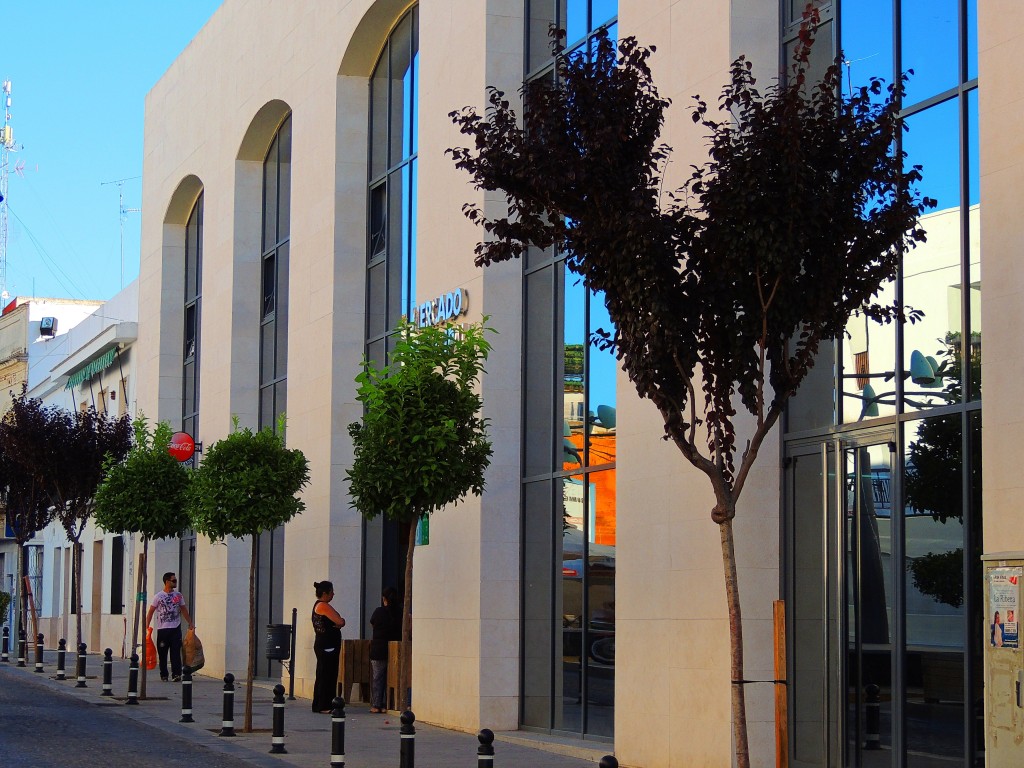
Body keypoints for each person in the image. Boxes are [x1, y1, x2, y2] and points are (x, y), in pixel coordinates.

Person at [145, 572, 193, 682]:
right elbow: (151, 611)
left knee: (175, 652)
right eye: (174, 580)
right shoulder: (158, 596)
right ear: (167, 582)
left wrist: (190, 623)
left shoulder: (178, 595)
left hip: (175, 628)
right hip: (163, 630)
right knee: (162, 653)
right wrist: (146, 626)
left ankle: (176, 674)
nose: (175, 582)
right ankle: (164, 674)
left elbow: (184, 609)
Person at [311, 580, 346, 713]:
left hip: (325, 645)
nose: (333, 594)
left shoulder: (320, 606)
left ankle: (321, 704)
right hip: (327, 646)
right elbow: (340, 621)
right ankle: (324, 705)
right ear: (325, 593)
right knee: (327, 675)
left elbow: (339, 620)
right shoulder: (323, 606)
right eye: (331, 592)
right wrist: (340, 621)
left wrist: (340, 621)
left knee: (324, 673)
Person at [368, 586, 401, 713]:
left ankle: (377, 704)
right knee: (393, 677)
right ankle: (391, 703)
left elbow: (372, 624)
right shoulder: (400, 612)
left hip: (378, 649)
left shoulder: (378, 612)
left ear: (384, 599)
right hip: (396, 650)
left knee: (378, 677)